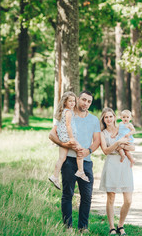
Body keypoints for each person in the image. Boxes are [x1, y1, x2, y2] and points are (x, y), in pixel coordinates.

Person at [49, 90, 101, 233]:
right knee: (67, 194)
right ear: (78, 99)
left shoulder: (94, 120)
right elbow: (51, 135)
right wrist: (65, 145)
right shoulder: (67, 114)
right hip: (69, 161)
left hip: (86, 162)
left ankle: (83, 227)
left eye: (89, 101)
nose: (86, 103)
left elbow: (96, 141)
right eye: (84, 99)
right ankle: (68, 227)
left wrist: (88, 151)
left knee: (87, 196)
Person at [99, 108, 135, 235]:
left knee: (128, 199)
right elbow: (106, 151)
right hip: (111, 164)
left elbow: (133, 147)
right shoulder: (102, 133)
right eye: (106, 117)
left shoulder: (123, 128)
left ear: (114, 117)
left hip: (124, 164)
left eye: (110, 116)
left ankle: (121, 225)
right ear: (103, 119)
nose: (108, 119)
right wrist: (118, 143)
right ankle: (112, 227)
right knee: (111, 197)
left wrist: (125, 145)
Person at [49, 91, 89, 189]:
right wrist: (72, 138)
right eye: (70, 101)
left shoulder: (63, 111)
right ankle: (80, 171)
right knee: (80, 150)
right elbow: (68, 125)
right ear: (65, 102)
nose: (72, 103)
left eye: (74, 101)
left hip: (62, 138)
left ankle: (54, 176)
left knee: (61, 158)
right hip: (68, 137)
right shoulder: (68, 112)